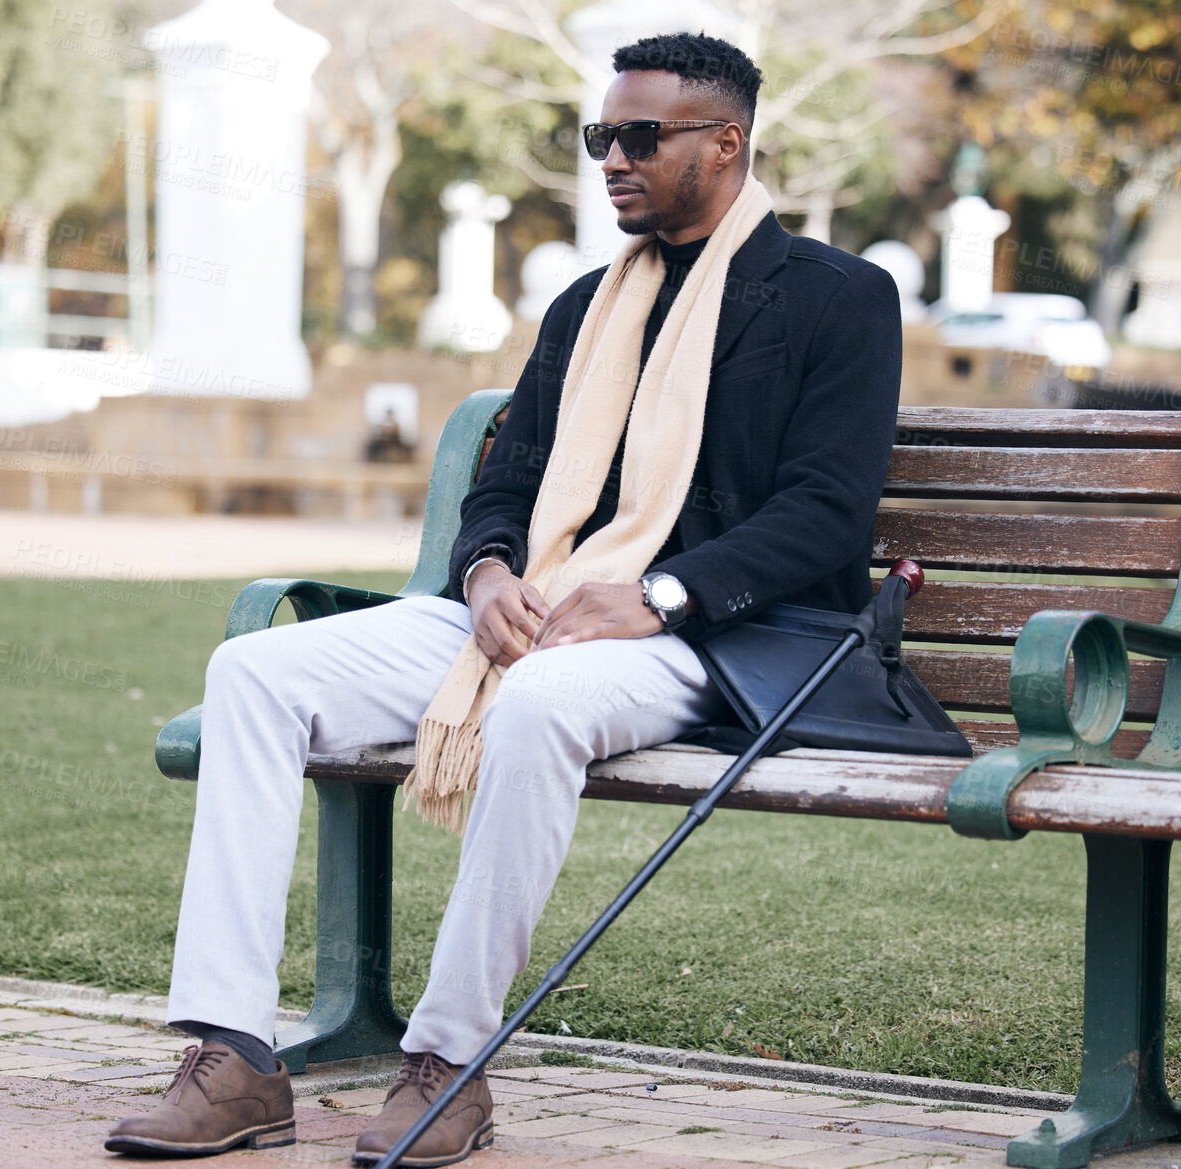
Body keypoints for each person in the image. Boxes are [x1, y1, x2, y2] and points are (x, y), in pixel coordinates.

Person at [106, 31, 901, 1166]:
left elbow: (827, 511)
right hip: (537, 604)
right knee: (255, 671)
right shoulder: (587, 305)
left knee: (540, 703)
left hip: (721, 634)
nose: (611, 160)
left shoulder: (838, 298)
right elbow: (508, 484)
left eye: (640, 137)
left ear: (726, 144)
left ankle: (445, 1066)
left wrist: (660, 593)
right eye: (601, 137)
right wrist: (484, 577)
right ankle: (233, 1053)